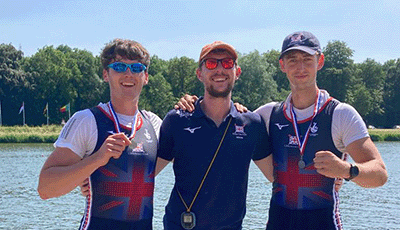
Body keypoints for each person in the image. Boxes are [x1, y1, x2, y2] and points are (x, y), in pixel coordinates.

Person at [254, 31, 388, 229]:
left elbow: (380, 175)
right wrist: (192, 103)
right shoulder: (267, 114)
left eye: (307, 59)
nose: (300, 67)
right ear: (282, 65)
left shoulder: (341, 114)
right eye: (292, 60)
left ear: (320, 61)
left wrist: (346, 170)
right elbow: (227, 126)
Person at [37, 39, 162, 230]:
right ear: (106, 74)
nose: (128, 74)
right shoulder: (87, 120)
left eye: (136, 68)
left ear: (145, 76)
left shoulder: (154, 124)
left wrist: (191, 105)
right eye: (119, 67)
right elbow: (45, 189)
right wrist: (96, 160)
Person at [155, 41, 272, 229]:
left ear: (237, 72)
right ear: (199, 74)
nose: (219, 69)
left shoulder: (251, 124)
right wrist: (92, 180)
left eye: (226, 63)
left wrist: (333, 177)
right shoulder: (177, 120)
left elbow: (277, 177)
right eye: (211, 63)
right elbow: (145, 173)